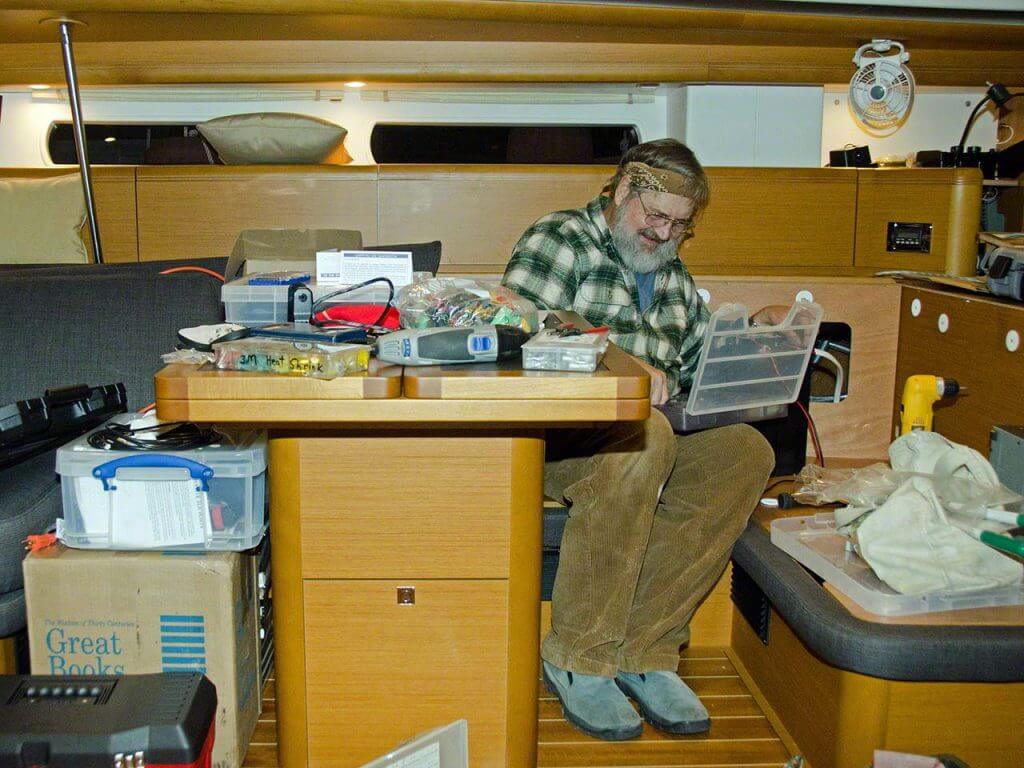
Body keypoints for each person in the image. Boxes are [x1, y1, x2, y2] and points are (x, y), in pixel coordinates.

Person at [502, 139, 776, 741]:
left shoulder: (675, 276)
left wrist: (758, 339)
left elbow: (703, 364)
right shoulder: (560, 238)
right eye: (655, 216)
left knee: (744, 452)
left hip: (654, 435)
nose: (665, 234)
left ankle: (645, 650)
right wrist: (619, 361)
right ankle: (578, 655)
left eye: (680, 224)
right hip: (554, 437)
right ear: (623, 189)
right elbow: (517, 327)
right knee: (645, 439)